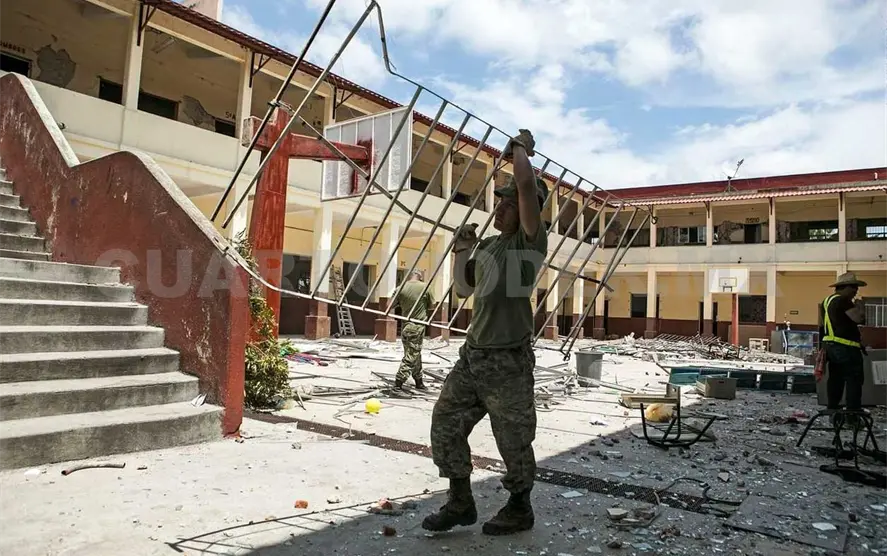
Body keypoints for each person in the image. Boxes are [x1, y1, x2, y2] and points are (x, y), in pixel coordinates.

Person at [422, 129, 548, 536]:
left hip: (508, 360)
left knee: (512, 438)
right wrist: (462, 249)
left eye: (509, 204)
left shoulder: (529, 244)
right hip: (474, 356)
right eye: (500, 202)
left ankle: (519, 507)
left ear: (527, 210)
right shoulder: (491, 245)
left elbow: (526, 187)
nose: (501, 208)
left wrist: (521, 150)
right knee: (445, 422)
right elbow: (464, 287)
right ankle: (460, 501)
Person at [818, 272, 868, 411]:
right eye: (854, 288)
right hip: (846, 348)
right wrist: (860, 306)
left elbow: (822, 325)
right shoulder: (843, 300)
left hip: (831, 347)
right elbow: (859, 319)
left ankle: (833, 409)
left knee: (836, 379)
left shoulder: (826, 301)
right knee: (854, 379)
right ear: (845, 287)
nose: (856, 291)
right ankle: (853, 412)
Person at [392, 270, 433, 391]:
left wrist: (403, 302)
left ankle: (419, 381)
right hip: (417, 327)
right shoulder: (425, 287)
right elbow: (433, 306)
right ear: (420, 277)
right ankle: (397, 385)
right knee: (411, 356)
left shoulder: (400, 288)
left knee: (415, 354)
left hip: (406, 326)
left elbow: (389, 305)